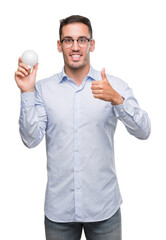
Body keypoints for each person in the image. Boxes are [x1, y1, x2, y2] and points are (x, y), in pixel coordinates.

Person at [15, 15, 151, 240]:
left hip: (104, 208)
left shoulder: (114, 86)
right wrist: (26, 92)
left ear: (92, 44)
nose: (75, 47)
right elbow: (31, 140)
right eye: (68, 40)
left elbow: (144, 131)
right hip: (60, 211)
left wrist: (118, 100)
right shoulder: (42, 89)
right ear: (59, 46)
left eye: (81, 40)